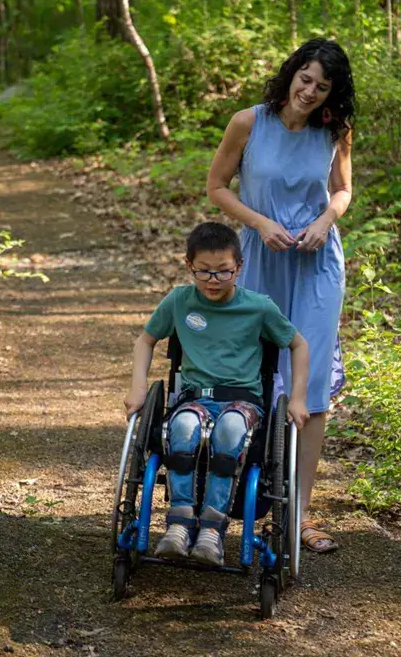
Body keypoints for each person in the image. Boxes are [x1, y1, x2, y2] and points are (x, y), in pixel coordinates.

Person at [206, 38, 355, 554]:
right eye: (305, 79)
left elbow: (343, 189)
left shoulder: (334, 129)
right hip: (263, 257)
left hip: (317, 263)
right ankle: (236, 501)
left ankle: (298, 516)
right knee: (254, 374)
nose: (310, 92)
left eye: (323, 86)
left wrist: (325, 220)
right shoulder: (249, 121)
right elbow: (218, 186)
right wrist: (260, 222)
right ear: (292, 73)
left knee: (310, 386)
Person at [124, 221, 309, 567]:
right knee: (180, 429)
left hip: (242, 402)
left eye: (223, 272)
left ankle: (211, 532)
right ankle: (178, 526)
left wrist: (297, 397)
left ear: (239, 267)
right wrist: (137, 385)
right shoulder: (179, 300)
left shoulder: (259, 307)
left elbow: (298, 344)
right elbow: (145, 340)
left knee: (230, 430)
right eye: (204, 272)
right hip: (194, 398)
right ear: (188, 265)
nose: (212, 280)